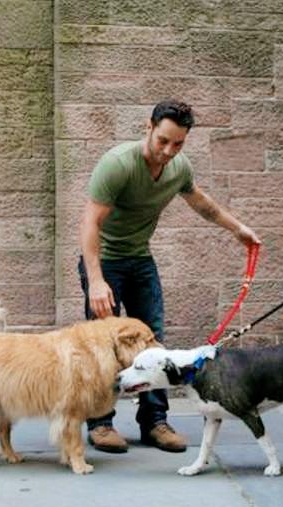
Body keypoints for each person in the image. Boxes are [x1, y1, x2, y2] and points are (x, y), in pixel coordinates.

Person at [79, 99, 261, 454]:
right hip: (106, 261)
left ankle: (154, 422)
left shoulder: (178, 168)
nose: (168, 151)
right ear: (148, 128)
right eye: (163, 140)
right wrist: (96, 280)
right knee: (102, 346)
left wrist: (238, 229)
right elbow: (90, 222)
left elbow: (202, 203)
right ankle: (100, 423)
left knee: (153, 341)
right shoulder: (118, 164)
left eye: (178, 144)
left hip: (140, 259)